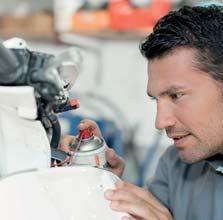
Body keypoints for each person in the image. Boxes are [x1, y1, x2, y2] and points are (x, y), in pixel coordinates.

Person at [60, 5, 223, 220]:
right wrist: (105, 184)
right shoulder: (174, 165)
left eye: (176, 96)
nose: (161, 121)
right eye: (156, 100)